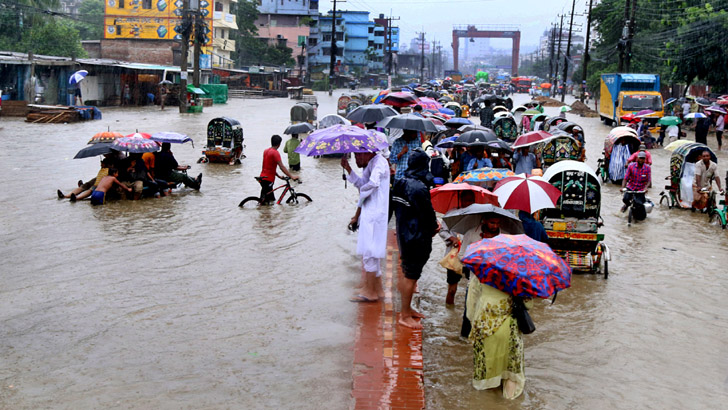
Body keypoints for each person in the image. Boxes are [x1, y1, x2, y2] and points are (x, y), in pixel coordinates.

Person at [392, 149, 439, 328]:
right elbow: (428, 214)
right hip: (416, 237)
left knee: (408, 273)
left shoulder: (400, 182)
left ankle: (407, 308)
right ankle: (404, 315)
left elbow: (396, 210)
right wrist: (435, 227)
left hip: (404, 234)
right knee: (411, 276)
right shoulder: (419, 188)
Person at [466, 269, 531, 398]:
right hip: (509, 329)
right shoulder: (520, 276)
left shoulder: (481, 274)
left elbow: (471, 303)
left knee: (485, 372)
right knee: (510, 372)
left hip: (484, 327)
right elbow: (529, 304)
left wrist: (473, 321)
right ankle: (508, 402)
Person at [341, 149, 390, 303]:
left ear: (367, 152)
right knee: (373, 252)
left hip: (375, 213)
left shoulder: (379, 162)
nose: (356, 159)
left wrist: (362, 194)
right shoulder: (372, 163)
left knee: (369, 251)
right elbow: (363, 184)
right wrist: (348, 168)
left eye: (357, 156)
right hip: (372, 212)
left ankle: (370, 291)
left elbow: (372, 184)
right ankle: (377, 288)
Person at [438, 191, 477, 306]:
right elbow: (442, 230)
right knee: (452, 290)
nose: (469, 203)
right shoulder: (451, 214)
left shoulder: (477, 216)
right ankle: (449, 309)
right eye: (466, 200)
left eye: (471, 200)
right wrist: (452, 239)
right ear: (461, 200)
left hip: (470, 255)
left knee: (472, 288)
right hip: (453, 256)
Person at [258, 135, 298, 203]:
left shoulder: (266, 151)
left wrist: (279, 176)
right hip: (268, 179)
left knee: (270, 201)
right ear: (279, 144)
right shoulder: (275, 153)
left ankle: (265, 212)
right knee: (265, 202)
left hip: (262, 177)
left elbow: (268, 167)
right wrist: (291, 176)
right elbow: (282, 166)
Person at [621, 152, 652, 220]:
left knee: (639, 203)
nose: (641, 160)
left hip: (640, 189)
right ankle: (627, 205)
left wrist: (646, 188)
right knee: (625, 199)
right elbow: (626, 178)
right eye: (640, 158)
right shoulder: (631, 166)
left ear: (645, 159)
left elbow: (649, 181)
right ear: (637, 158)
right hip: (631, 187)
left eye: (643, 159)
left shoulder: (647, 168)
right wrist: (622, 187)